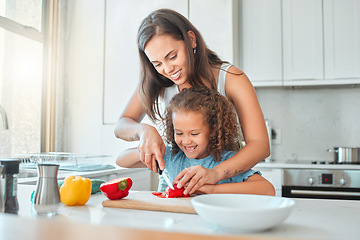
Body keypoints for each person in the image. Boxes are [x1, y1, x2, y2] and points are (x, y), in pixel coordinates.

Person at [114, 8, 270, 195]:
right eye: (157, 64)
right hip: (176, 185)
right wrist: (144, 131)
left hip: (223, 184)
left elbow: (260, 145)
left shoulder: (231, 78)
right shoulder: (158, 80)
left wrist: (215, 174)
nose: (167, 69)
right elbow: (122, 125)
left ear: (191, 40)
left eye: (172, 56)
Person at [117, 87, 275, 196]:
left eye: (194, 133)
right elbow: (121, 160)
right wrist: (149, 146)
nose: (186, 141)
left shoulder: (226, 160)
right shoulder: (172, 156)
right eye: (179, 133)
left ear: (213, 130)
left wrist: (212, 191)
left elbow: (267, 189)